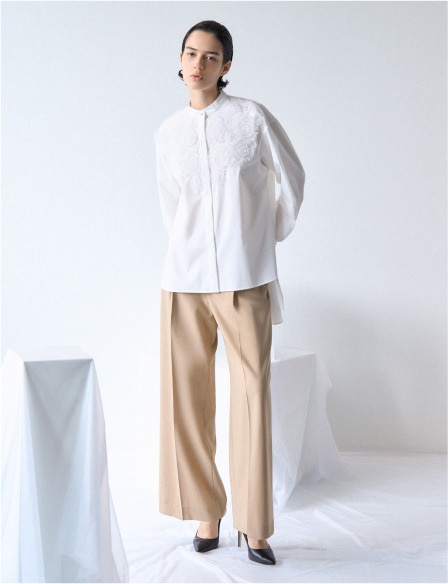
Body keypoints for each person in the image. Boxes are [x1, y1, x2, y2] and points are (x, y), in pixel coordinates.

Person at [155, 20, 305, 565]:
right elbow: (172, 207)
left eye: (211, 56)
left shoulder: (250, 118)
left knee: (252, 394)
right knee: (186, 399)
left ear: (227, 66)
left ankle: (255, 526)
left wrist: (263, 237)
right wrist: (189, 248)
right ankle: (206, 512)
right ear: (180, 59)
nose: (199, 64)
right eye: (191, 53)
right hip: (184, 280)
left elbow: (293, 177)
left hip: (245, 276)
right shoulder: (168, 133)